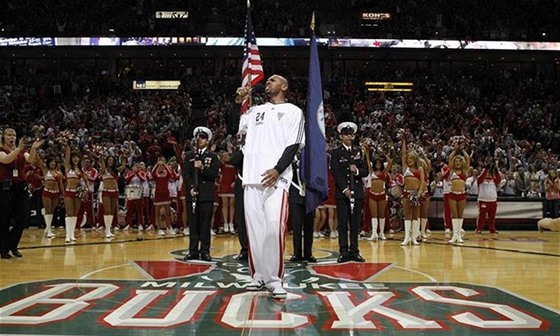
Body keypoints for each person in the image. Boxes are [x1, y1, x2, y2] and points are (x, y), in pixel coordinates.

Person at [238, 74, 305, 299]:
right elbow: (235, 129)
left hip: (278, 178)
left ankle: (275, 280)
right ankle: (257, 276)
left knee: (274, 228)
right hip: (251, 177)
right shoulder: (255, 111)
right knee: (255, 231)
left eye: (273, 80)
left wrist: (277, 170)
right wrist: (239, 102)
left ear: (284, 86)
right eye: (267, 81)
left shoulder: (294, 111)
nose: (268, 82)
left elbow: (293, 144)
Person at [0, 129, 42, 258]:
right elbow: (6, 160)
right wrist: (18, 148)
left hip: (20, 186)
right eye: (9, 135)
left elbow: (30, 161)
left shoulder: (21, 151)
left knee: (22, 218)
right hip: (5, 187)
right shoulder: (2, 150)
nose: (12, 137)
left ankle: (13, 246)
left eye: (14, 135)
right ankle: (4, 249)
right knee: (4, 219)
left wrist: (34, 149)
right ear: (3, 137)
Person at [330, 122, 368, 262]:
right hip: (342, 193)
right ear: (341, 136)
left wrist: (357, 171)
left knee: (355, 223)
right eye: (346, 134)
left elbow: (365, 171)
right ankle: (343, 251)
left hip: (357, 192)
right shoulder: (336, 152)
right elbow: (335, 172)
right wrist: (345, 189)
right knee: (343, 222)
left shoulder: (359, 151)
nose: (348, 137)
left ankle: (354, 250)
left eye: (351, 134)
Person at [183, 126, 219, 262]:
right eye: (198, 137)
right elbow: (186, 174)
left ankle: (205, 251)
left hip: (206, 195)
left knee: (205, 224)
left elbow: (214, 174)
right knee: (193, 224)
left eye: (203, 138)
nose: (199, 140)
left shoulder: (212, 157)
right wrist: (191, 186)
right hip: (192, 193)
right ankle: (193, 251)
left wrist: (202, 168)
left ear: (207, 140)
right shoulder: (189, 156)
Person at [288, 152, 316, 262]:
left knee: (309, 225)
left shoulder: (310, 153)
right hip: (295, 191)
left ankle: (308, 253)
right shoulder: (290, 153)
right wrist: (296, 164)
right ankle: (297, 253)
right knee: (296, 225)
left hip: (309, 193)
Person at [400, 133, 425, 245]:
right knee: (407, 215)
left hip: (416, 193)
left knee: (415, 215)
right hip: (406, 193)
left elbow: (423, 181)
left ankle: (414, 237)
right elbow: (403, 154)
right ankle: (406, 237)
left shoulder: (420, 168)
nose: (409, 160)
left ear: (415, 159)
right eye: (408, 158)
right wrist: (403, 140)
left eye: (411, 158)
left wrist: (419, 193)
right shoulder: (405, 168)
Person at [444, 139, 471, 244]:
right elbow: (450, 158)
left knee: (460, 214)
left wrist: (462, 149)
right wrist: (455, 149)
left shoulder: (465, 171)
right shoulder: (451, 171)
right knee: (454, 215)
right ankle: (454, 235)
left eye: (460, 161)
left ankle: (459, 235)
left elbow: (468, 158)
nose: (458, 163)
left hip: (462, 194)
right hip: (452, 194)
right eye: (456, 161)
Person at [367, 152, 392, 241]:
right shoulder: (371, 171)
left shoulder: (384, 172)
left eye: (379, 163)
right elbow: (367, 160)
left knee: (381, 214)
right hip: (372, 194)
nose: (378, 164)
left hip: (381, 194)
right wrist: (367, 151)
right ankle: (374, 233)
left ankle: (381, 233)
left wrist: (384, 155)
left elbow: (390, 162)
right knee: (374, 214)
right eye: (376, 163)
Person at [40, 156, 64, 238]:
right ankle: (49, 230)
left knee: (52, 211)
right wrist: (34, 149)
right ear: (48, 163)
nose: (52, 163)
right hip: (47, 192)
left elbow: (60, 184)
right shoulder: (45, 170)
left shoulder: (59, 173)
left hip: (56, 193)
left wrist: (63, 194)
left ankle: (47, 228)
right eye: (51, 161)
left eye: (54, 161)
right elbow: (39, 161)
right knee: (48, 210)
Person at [476, 162, 501, 234]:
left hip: (493, 200)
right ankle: (479, 229)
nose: (488, 174)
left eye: (489, 173)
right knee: (482, 215)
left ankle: (492, 229)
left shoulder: (493, 180)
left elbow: (498, 179)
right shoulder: (480, 180)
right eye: (487, 173)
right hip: (483, 200)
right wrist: (486, 169)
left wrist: (496, 171)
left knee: (492, 216)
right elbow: (481, 176)